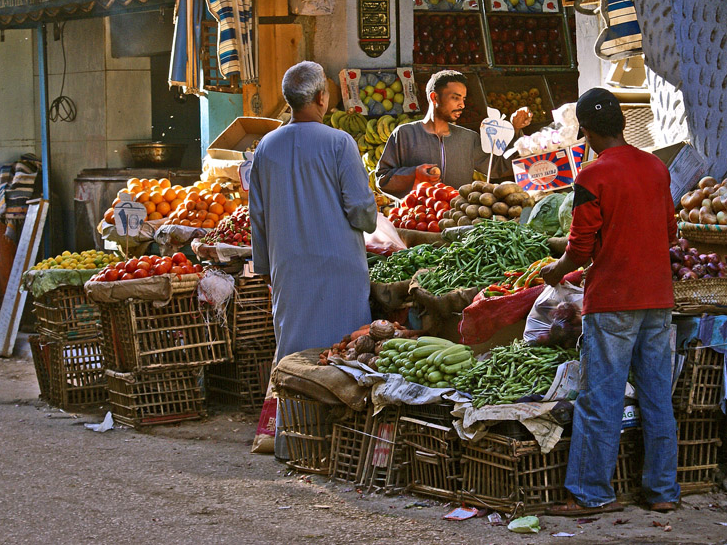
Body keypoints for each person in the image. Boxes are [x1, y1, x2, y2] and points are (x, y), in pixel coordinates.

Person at [540, 87, 680, 516]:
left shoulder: (592, 176)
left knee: (601, 398)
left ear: (584, 131)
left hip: (613, 301)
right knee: (657, 396)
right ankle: (662, 492)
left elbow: (580, 249)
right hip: (657, 298)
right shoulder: (657, 167)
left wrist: (555, 270)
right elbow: (670, 235)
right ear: (621, 123)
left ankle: (591, 493)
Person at [249, 61, 378, 361]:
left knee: (295, 357)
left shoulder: (266, 147)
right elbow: (361, 209)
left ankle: (295, 408)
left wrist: (267, 268)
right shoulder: (339, 143)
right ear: (321, 98)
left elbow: (258, 216)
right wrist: (370, 222)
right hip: (340, 270)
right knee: (344, 355)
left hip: (289, 269)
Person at [375, 69, 532, 197]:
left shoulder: (468, 138)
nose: (462, 105)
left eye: (463, 99)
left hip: (458, 219)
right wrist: (414, 174)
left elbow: (497, 167)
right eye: (455, 98)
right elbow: (382, 179)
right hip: (418, 220)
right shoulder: (405, 134)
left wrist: (516, 129)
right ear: (434, 97)